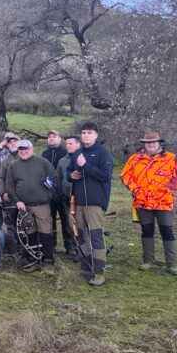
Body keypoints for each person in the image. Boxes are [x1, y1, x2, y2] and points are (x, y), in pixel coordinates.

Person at [120, 131, 177, 274]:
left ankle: (172, 264)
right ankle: (148, 260)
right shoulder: (135, 159)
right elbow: (124, 175)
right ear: (144, 144)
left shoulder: (171, 158)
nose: (150, 145)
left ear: (159, 143)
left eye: (153, 142)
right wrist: (135, 189)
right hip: (142, 202)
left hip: (164, 202)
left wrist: (169, 188)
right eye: (147, 142)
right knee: (146, 231)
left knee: (167, 231)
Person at [66, 122, 113, 286]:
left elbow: (105, 176)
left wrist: (85, 166)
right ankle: (86, 266)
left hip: (94, 203)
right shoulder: (77, 153)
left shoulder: (102, 153)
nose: (86, 135)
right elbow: (68, 174)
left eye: (89, 132)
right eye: (83, 132)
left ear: (96, 135)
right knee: (79, 235)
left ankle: (99, 272)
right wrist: (71, 175)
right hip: (77, 203)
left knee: (96, 236)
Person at [6, 140, 59, 273]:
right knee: (29, 234)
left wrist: (49, 196)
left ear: (32, 148)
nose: (23, 151)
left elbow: (54, 179)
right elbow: (10, 186)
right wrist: (17, 201)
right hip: (24, 207)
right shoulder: (13, 166)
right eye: (21, 149)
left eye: (26, 148)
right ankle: (33, 261)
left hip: (42, 205)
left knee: (46, 232)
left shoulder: (43, 162)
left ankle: (48, 261)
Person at [41, 130, 72, 257]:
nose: (51, 138)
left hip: (63, 193)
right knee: (50, 220)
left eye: (54, 136)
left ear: (60, 139)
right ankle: (51, 245)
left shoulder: (65, 154)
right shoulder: (44, 154)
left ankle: (69, 247)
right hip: (48, 193)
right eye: (49, 137)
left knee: (67, 220)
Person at [56, 136, 81, 261]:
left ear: (78, 144)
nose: (68, 146)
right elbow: (58, 178)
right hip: (65, 197)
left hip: (80, 198)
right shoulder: (62, 161)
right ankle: (69, 247)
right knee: (67, 223)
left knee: (79, 223)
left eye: (71, 143)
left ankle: (81, 247)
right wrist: (60, 192)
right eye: (67, 144)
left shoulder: (82, 159)